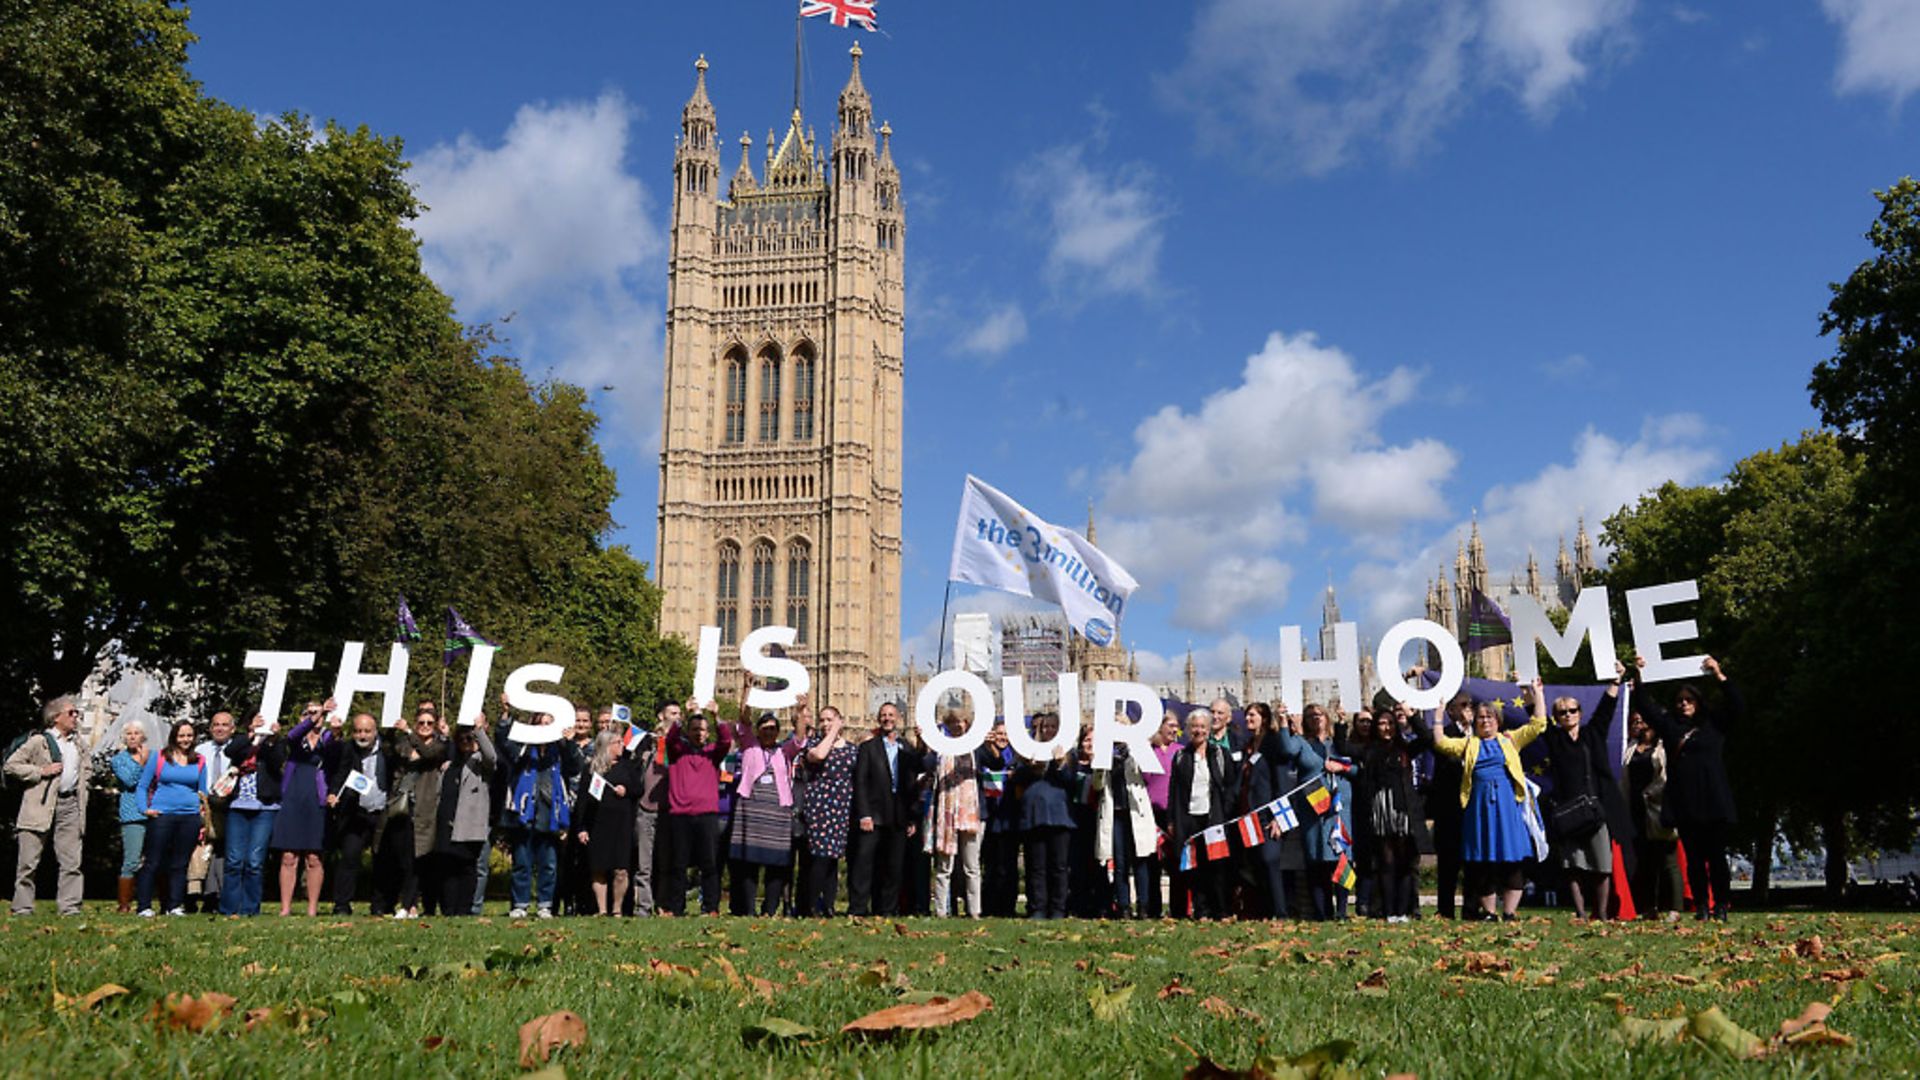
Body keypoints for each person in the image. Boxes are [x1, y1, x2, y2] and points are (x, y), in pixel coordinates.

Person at [1414, 681, 1548, 921]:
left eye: (1490, 717)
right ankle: (1489, 912)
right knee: (1483, 860)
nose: (1485, 721)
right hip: (1479, 809)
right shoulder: (1470, 744)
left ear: (1498, 721)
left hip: (1507, 808)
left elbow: (1538, 725)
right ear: (1474, 722)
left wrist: (1537, 694)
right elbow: (1441, 742)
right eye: (1481, 717)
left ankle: (1509, 912)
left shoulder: (1510, 740)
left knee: (1512, 859)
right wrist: (1437, 713)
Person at [1637, 655, 1739, 921]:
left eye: (1689, 700)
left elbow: (1737, 706)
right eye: (1680, 700)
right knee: (1694, 860)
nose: (1684, 704)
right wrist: (1639, 675)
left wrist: (1719, 675)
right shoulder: (1670, 727)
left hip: (1713, 798)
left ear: (1698, 702)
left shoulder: (1713, 724)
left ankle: (1722, 906)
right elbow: (1645, 707)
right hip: (1685, 801)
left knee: (1717, 858)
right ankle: (1702, 907)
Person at [1540, 664, 1633, 921]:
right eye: (1562, 712)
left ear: (1580, 713)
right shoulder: (1555, 739)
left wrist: (1616, 681)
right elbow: (1535, 717)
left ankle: (1600, 913)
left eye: (1572, 710)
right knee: (1573, 866)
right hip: (1568, 812)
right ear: (1557, 717)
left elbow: (1606, 710)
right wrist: (1533, 691)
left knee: (1602, 864)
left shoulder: (1593, 734)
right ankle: (1580, 913)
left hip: (1594, 809)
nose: (1567, 715)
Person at [6, 695, 91, 916]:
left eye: (77, 713)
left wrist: (84, 787)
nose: (76, 717)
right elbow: (11, 765)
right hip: (39, 806)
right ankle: (22, 908)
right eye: (71, 713)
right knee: (28, 862)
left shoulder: (79, 743)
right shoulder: (39, 742)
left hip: (71, 804)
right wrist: (40, 772)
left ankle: (70, 908)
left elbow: (87, 769)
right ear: (56, 717)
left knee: (72, 861)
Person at [728, 705, 807, 916]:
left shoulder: (784, 751)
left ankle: (770, 909)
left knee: (777, 863)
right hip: (751, 809)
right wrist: (746, 690)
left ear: (778, 731)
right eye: (765, 727)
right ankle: (749, 909)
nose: (769, 731)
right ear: (758, 730)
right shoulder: (749, 746)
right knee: (749, 863)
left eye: (773, 728)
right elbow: (743, 722)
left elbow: (799, 739)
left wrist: (801, 712)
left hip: (778, 811)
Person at [1239, 702, 1311, 920]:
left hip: (1269, 813)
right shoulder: (1248, 745)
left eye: (1252, 715)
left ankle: (1281, 912)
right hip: (1249, 813)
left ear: (1263, 717)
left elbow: (1281, 782)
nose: (1248, 719)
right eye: (1246, 715)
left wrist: (1280, 818)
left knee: (1271, 860)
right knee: (1257, 863)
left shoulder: (1273, 743)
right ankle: (1265, 911)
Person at [849, 702, 919, 917]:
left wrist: (911, 818)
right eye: (883, 715)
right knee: (864, 864)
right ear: (878, 719)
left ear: (898, 718)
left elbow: (912, 785)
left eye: (891, 715)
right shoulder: (868, 748)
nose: (887, 718)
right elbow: (859, 782)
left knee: (893, 867)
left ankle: (887, 909)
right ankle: (858, 909)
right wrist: (864, 814)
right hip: (874, 814)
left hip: (898, 815)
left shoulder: (907, 748)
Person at [660, 703, 731, 916]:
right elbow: (670, 738)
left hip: (707, 814)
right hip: (680, 814)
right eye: (694, 729)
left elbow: (726, 741)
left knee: (709, 864)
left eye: (702, 730)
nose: (698, 733)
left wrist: (717, 716)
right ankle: (676, 907)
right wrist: (685, 715)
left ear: (707, 733)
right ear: (687, 732)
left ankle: (710, 907)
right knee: (679, 864)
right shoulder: (677, 752)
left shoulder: (713, 753)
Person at [1358, 704, 1425, 922]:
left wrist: (1413, 716)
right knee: (1386, 861)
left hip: (1403, 808)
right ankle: (1388, 911)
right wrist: (1340, 722)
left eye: (1389, 723)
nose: (1385, 728)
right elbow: (1343, 747)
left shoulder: (1405, 749)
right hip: (1381, 809)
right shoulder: (1370, 750)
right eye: (1381, 724)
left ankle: (1403, 910)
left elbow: (1426, 738)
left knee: (1405, 861)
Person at [135, 719, 209, 916]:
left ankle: (174, 905)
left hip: (190, 817)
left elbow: (203, 792)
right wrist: (145, 809)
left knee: (180, 863)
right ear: (174, 736)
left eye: (189, 736)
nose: (185, 739)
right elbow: (142, 786)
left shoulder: (199, 760)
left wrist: (203, 817)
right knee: (153, 861)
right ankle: (144, 906)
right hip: (162, 815)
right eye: (182, 735)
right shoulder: (159, 757)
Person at [322, 712, 393, 915]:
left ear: (375, 732)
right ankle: (342, 905)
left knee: (383, 861)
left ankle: (380, 905)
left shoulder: (387, 750)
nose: (362, 735)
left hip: (382, 812)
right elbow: (341, 773)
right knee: (350, 858)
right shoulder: (348, 749)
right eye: (358, 731)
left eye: (367, 731)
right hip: (356, 812)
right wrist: (334, 793)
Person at [221, 712, 290, 916]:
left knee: (254, 861)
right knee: (234, 860)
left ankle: (251, 909)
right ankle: (229, 908)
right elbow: (230, 750)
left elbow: (277, 760)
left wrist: (272, 739)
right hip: (237, 806)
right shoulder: (241, 742)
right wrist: (251, 735)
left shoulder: (275, 743)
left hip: (265, 808)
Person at [1167, 707, 1231, 919]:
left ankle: (1221, 910)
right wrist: (1172, 821)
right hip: (1189, 817)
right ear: (1187, 730)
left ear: (1208, 729)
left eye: (1203, 726)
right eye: (1195, 727)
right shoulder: (1181, 757)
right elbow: (1174, 791)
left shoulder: (1220, 754)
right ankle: (1201, 910)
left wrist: (1226, 813)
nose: (1199, 731)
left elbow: (1229, 786)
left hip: (1214, 818)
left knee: (1218, 866)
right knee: (1195, 867)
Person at [432, 715, 499, 916]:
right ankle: (448, 909)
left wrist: (479, 731)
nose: (465, 743)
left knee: (467, 868)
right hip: (447, 823)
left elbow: (492, 757)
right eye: (461, 739)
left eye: (469, 739)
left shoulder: (480, 764)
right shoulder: (450, 766)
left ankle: (464, 909)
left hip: (470, 825)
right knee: (447, 868)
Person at [271, 702, 333, 917]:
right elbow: (291, 737)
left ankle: (312, 909)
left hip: (316, 800)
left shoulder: (328, 739)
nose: (315, 717)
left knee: (314, 857)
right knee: (289, 856)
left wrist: (332, 725)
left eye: (318, 713)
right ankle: (285, 908)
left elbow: (338, 750)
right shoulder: (296, 740)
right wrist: (313, 718)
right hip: (293, 798)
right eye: (308, 714)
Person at [1622, 707, 1682, 918]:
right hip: (1636, 810)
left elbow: (1668, 777)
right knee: (1644, 861)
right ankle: (1648, 907)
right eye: (1635, 721)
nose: (1638, 724)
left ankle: (1674, 908)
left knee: (1668, 859)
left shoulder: (1663, 748)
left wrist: (1650, 793)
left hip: (1659, 808)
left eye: (1642, 720)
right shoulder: (1630, 749)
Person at [572, 731, 640, 915]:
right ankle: (602, 910)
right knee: (598, 868)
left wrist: (626, 790)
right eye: (618, 742)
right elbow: (583, 801)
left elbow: (638, 789)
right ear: (606, 745)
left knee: (621, 869)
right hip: (598, 825)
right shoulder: (592, 769)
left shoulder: (627, 767)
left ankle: (617, 910)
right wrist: (582, 827)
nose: (622, 745)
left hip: (622, 825)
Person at [925, 711, 985, 918]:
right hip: (947, 811)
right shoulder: (940, 749)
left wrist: (992, 745)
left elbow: (995, 763)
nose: (956, 726)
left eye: (960, 721)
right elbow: (925, 765)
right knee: (944, 866)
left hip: (971, 813)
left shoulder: (976, 747)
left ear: (967, 724)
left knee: (972, 866)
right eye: (951, 722)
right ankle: (941, 911)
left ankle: (974, 910)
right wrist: (926, 745)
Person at [1097, 719, 1159, 919]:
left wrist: (1134, 750)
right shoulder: (1105, 752)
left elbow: (1145, 775)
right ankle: (1123, 906)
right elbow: (1098, 785)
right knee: (1120, 863)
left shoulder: (1136, 750)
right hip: (1115, 814)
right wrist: (1100, 764)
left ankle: (1143, 905)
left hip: (1135, 812)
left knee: (1140, 860)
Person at [1015, 712, 1074, 920]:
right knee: (1036, 866)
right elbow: (1017, 779)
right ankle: (1037, 908)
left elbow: (1070, 781)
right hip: (1034, 816)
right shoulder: (1028, 752)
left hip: (1060, 817)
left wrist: (1059, 764)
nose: (1048, 730)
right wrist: (1031, 767)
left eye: (1052, 727)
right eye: (1045, 727)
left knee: (1059, 867)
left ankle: (1058, 909)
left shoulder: (1068, 754)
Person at [798, 706, 856, 915]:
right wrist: (834, 730)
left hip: (841, 807)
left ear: (839, 719)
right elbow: (820, 755)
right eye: (822, 720)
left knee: (833, 857)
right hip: (820, 805)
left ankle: (829, 905)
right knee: (820, 856)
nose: (825, 723)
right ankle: (811, 905)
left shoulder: (851, 749)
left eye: (829, 719)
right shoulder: (813, 744)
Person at [391, 706, 448, 918]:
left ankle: (411, 905)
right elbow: (399, 751)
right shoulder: (406, 742)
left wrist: (410, 734)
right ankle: (408, 902)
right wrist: (407, 739)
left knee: (421, 858)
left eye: (429, 724)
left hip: (426, 809)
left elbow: (429, 754)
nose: (424, 727)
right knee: (405, 859)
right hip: (404, 806)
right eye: (420, 723)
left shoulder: (439, 746)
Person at [1298, 704, 1354, 920]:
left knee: (1342, 859)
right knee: (1318, 861)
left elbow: (1357, 768)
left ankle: (1342, 911)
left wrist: (1341, 768)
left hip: (1340, 810)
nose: (1316, 719)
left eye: (1319, 714)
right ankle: (1322, 913)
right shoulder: (1304, 746)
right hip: (1315, 810)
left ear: (1327, 718)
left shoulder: (1339, 745)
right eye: (1311, 716)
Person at [629, 702, 675, 917]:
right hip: (645, 811)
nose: (661, 737)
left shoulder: (677, 755)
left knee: (666, 864)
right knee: (643, 865)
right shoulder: (645, 755)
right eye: (659, 733)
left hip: (669, 813)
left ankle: (663, 904)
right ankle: (643, 907)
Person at [974, 719, 1022, 917]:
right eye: (999, 734)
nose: (1002, 738)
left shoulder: (1018, 756)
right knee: (990, 864)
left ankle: (1007, 907)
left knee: (1009, 864)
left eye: (1005, 734)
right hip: (989, 815)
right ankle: (989, 906)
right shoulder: (982, 752)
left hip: (1010, 816)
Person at [194, 711, 237, 914]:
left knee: (225, 852)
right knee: (205, 850)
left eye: (224, 725)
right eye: (216, 725)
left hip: (230, 804)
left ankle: (222, 895)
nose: (220, 728)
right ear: (211, 728)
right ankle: (207, 896)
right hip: (205, 804)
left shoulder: (238, 750)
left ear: (232, 728)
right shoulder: (201, 750)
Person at [110, 722, 152, 913]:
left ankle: (155, 902)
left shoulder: (153, 757)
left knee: (155, 859)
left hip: (153, 811)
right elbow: (129, 780)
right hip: (132, 814)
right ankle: (124, 904)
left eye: (137, 733)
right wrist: (142, 764)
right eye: (129, 734)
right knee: (132, 860)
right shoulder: (119, 760)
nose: (133, 736)